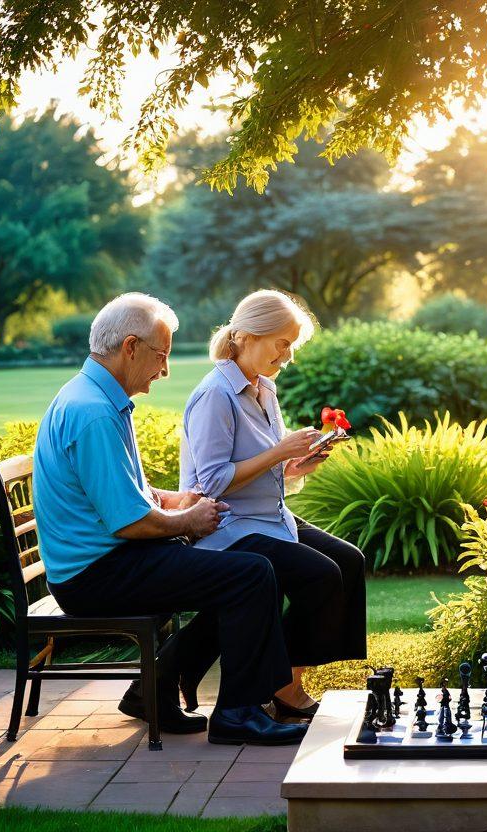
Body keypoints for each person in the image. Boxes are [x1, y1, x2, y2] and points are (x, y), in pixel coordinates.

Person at [33, 293, 306, 745]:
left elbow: (123, 492)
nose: (164, 370)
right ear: (130, 347)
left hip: (103, 562)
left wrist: (176, 499)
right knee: (252, 574)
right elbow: (129, 523)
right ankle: (237, 714)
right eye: (161, 356)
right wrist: (190, 522)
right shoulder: (95, 412)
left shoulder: (94, 396)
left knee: (238, 570)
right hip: (96, 576)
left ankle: (155, 692)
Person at [180, 290, 366, 720]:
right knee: (320, 575)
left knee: (349, 561)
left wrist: (298, 464)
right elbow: (211, 483)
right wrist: (279, 453)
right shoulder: (216, 395)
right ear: (246, 335)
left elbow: (264, 469)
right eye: (281, 343)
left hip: (267, 518)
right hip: (227, 525)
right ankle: (283, 686)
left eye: (291, 345)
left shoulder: (264, 389)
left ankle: (288, 680)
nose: (287, 355)